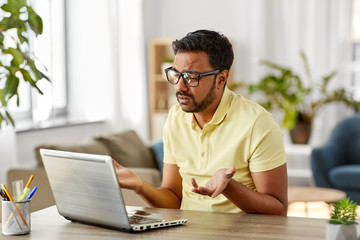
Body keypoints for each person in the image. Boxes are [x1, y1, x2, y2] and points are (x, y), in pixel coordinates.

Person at [113, 29, 288, 215]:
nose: (179, 86)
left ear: (221, 78)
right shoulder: (175, 118)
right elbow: (173, 199)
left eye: (191, 77)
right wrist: (140, 186)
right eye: (176, 74)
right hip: (187, 231)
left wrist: (230, 188)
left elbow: (278, 209)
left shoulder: (257, 123)